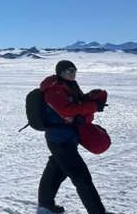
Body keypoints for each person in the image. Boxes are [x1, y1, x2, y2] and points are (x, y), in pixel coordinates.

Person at [36, 60, 111, 214]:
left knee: (56, 170)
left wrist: (90, 100)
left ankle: (45, 203)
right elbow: (66, 111)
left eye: (74, 70)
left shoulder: (70, 86)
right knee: (82, 177)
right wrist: (92, 107)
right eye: (68, 70)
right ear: (60, 72)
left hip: (69, 138)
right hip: (59, 139)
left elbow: (77, 108)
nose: (72, 73)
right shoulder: (54, 90)